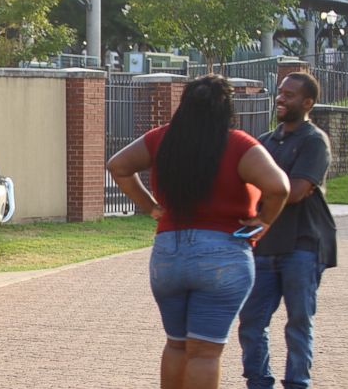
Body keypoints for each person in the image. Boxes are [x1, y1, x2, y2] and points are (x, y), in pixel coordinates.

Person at [107, 74, 289, 389]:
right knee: (205, 351)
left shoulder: (162, 139)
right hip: (223, 255)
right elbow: (279, 186)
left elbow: (118, 165)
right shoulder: (239, 144)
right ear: (226, 109)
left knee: (176, 343)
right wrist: (265, 220)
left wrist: (150, 206)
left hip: (168, 252)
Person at [238, 72, 337, 389]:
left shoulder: (314, 141)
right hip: (265, 245)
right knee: (252, 321)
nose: (281, 98)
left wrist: (263, 189)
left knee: (298, 321)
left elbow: (295, 191)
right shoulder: (264, 143)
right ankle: (258, 381)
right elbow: (247, 188)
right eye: (280, 93)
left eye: (290, 95)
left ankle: (297, 383)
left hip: (303, 245)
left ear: (307, 103)